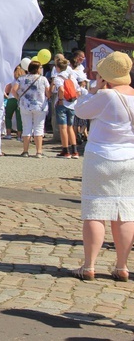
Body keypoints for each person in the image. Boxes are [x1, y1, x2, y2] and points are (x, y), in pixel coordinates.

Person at [71, 51, 134, 281]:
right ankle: (122, 266)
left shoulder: (107, 96)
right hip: (129, 158)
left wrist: (94, 90)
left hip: (102, 156)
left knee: (95, 211)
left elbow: (80, 110)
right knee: (125, 212)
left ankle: (89, 265)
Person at [13, 61, 51, 158]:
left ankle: (25, 151)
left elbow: (14, 90)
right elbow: (48, 93)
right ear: (37, 69)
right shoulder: (43, 79)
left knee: (26, 127)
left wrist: (19, 98)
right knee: (39, 127)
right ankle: (39, 151)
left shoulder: (21, 79)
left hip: (25, 105)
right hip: (40, 106)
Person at [52, 57, 82, 159]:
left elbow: (61, 89)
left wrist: (60, 99)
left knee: (63, 128)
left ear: (58, 67)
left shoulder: (58, 78)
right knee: (70, 127)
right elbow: (78, 91)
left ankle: (65, 150)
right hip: (72, 104)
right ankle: (75, 151)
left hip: (63, 104)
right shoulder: (71, 77)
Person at [4, 65, 25, 140]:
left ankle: (9, 134)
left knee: (8, 117)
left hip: (11, 98)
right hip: (20, 99)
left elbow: (7, 90)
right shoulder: (24, 80)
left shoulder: (11, 79)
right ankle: (19, 135)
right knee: (19, 118)